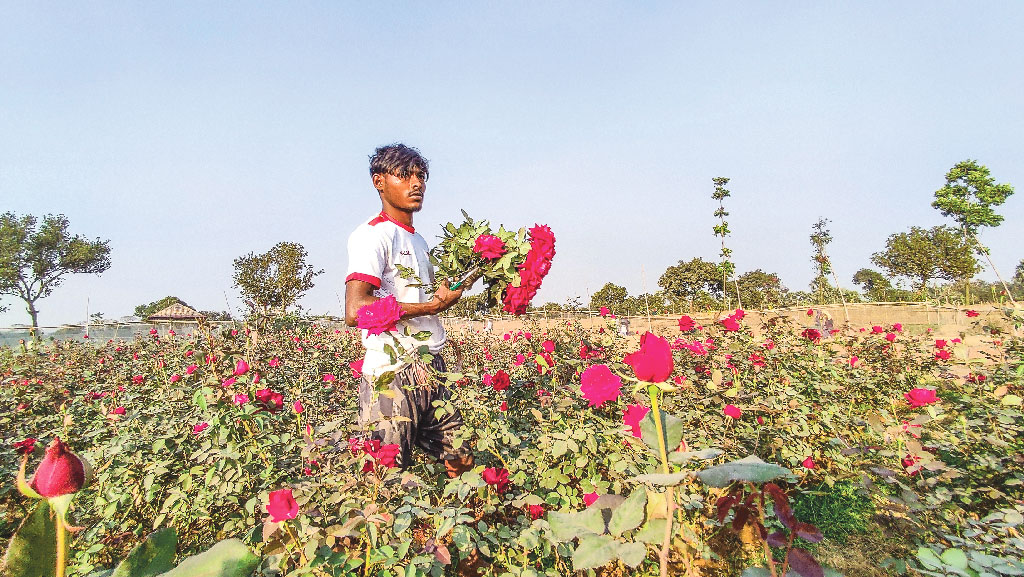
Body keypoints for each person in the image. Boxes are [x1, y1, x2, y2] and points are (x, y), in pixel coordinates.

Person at [344, 143, 475, 478]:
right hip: (392, 372)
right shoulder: (373, 235)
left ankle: (452, 525)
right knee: (384, 475)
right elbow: (356, 309)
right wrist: (430, 305)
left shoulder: (418, 242)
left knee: (461, 456)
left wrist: (452, 291)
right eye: (404, 175)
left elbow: (427, 301)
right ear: (379, 182)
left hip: (431, 367)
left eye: (420, 176)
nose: (416, 184)